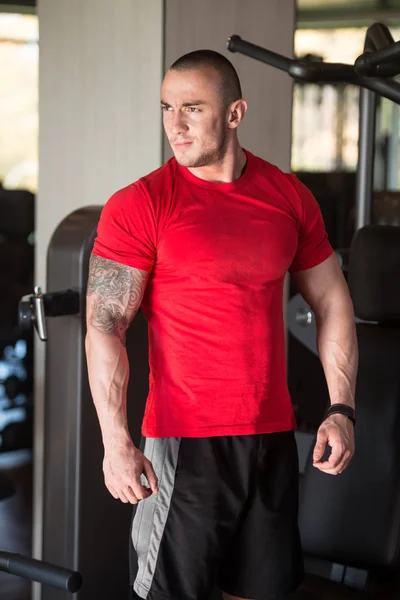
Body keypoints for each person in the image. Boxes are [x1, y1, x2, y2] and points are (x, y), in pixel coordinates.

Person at [85, 50, 357, 600]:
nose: (175, 125)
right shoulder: (141, 204)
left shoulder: (288, 197)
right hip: (185, 444)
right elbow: (105, 325)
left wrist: (341, 408)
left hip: (272, 437)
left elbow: (332, 302)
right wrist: (116, 443)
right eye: (166, 108)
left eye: (192, 108)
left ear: (235, 114)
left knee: (264, 591)